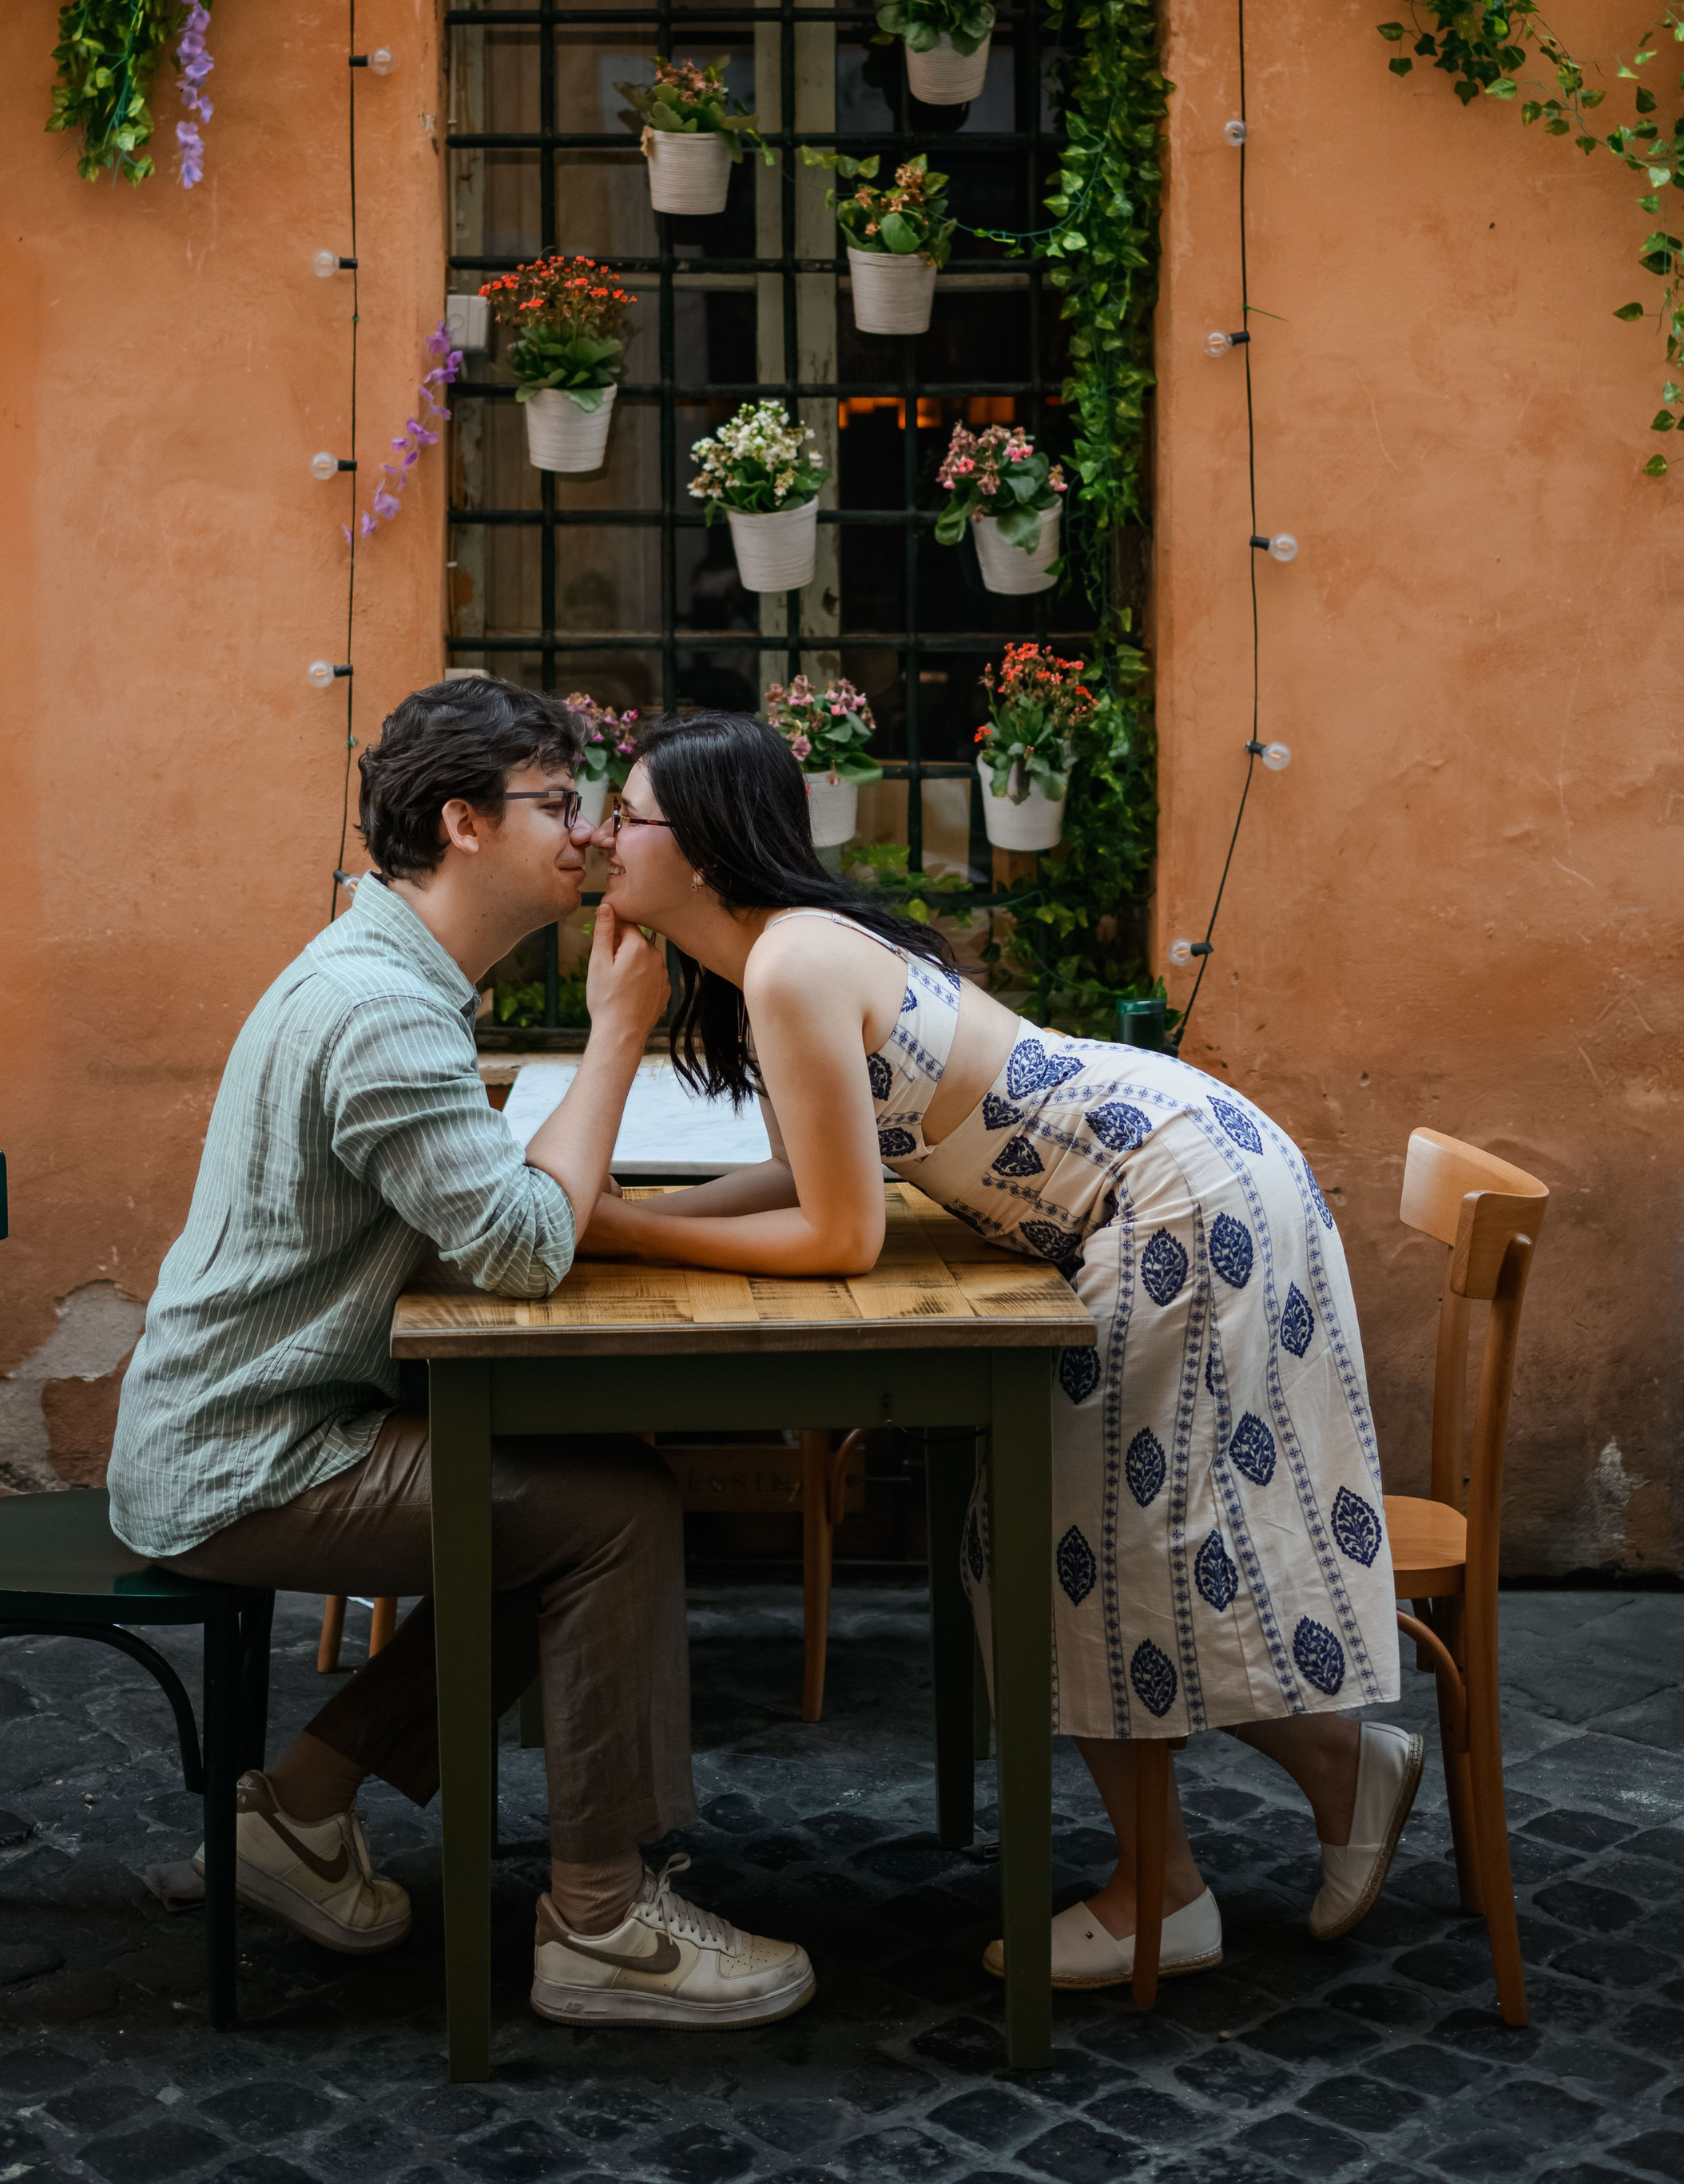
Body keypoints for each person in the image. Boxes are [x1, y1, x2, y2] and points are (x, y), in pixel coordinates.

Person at [578, 709, 1419, 1992]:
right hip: (1177, 1176)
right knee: (1070, 1543)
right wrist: (625, 1220)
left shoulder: (792, 964)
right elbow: (815, 1165)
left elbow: (843, 1236)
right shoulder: (784, 957)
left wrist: (626, 1237)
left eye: (623, 814)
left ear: (697, 844)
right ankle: (1327, 1775)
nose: (598, 838)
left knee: (1070, 1547)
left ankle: (1167, 1896)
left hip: (1177, 1201)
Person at [106, 677, 813, 2031]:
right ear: (463, 824)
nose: (592, 836)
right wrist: (617, 1033)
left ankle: (299, 1814)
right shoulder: (380, 1008)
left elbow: (492, 1222)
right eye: (558, 803)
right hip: (248, 1457)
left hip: (262, 1421)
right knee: (609, 1514)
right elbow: (522, 1246)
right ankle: (602, 1925)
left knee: (566, 1493)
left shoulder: (391, 974)